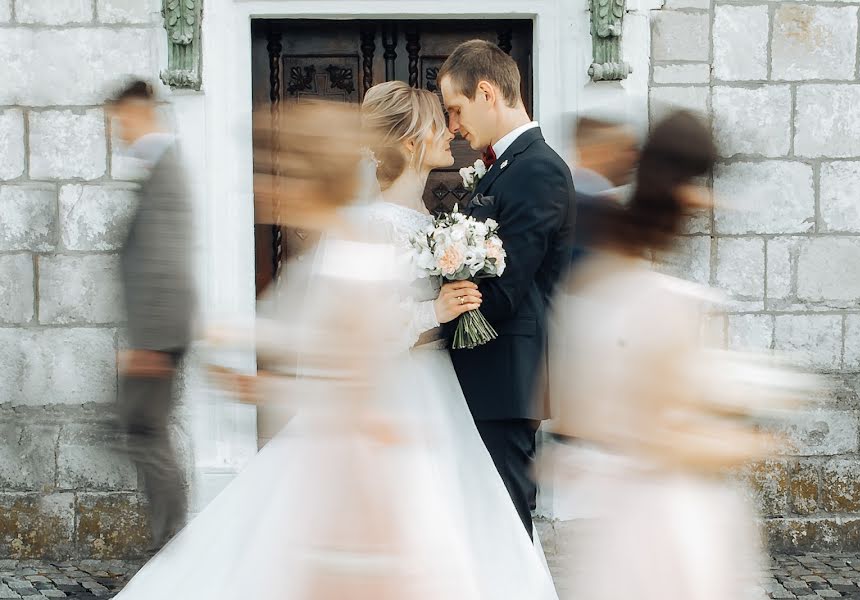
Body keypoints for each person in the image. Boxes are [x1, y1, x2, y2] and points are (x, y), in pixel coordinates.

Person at [113, 100, 487, 600]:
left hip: (356, 474)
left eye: (276, 172)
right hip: (343, 463)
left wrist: (266, 383)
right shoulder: (343, 246)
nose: (264, 186)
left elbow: (355, 372)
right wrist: (254, 353)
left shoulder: (352, 254)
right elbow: (334, 351)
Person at [547, 111, 813, 600]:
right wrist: (760, 443)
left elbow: (580, 416)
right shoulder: (664, 303)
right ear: (691, 195)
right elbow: (662, 441)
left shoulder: (592, 287)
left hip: (618, 521)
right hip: (669, 522)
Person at [359, 80, 558, 599]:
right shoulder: (375, 224)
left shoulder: (429, 218)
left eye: (454, 113)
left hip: (444, 384)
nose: (451, 130)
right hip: (406, 390)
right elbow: (359, 325)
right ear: (408, 142)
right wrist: (436, 309)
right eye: (438, 121)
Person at [437, 39, 575, 538]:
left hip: (503, 381)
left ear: (488, 93)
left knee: (505, 527)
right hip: (487, 378)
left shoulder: (537, 170)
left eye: (456, 109)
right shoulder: (505, 168)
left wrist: (427, 320)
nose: (453, 127)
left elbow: (504, 290)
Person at [107, 79, 195, 554]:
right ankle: (170, 538)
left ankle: (173, 544)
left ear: (139, 113)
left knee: (146, 434)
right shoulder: (157, 165)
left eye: (120, 120)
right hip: (159, 331)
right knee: (141, 430)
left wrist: (150, 344)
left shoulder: (166, 168)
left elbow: (166, 259)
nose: (118, 131)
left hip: (161, 332)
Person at [570, 115, 639, 263]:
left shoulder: (569, 201)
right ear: (601, 151)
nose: (633, 158)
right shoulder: (593, 212)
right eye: (625, 149)